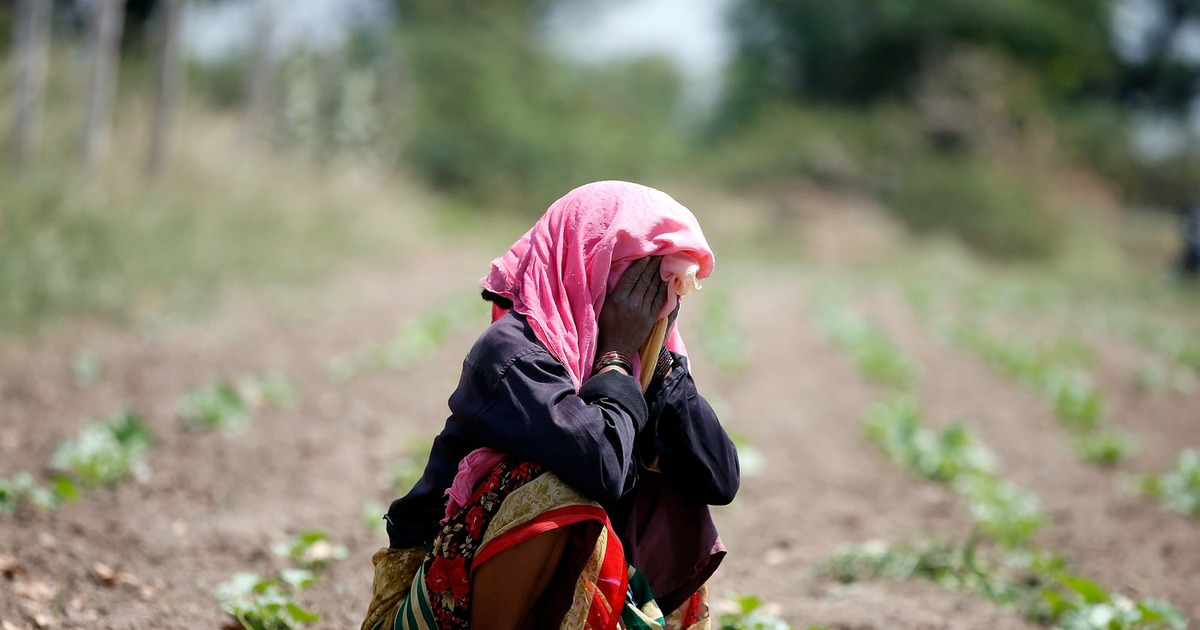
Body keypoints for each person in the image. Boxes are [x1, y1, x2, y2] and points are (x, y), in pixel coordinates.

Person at [360, 181, 740, 630]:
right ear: (583, 266)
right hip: (439, 608)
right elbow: (600, 467)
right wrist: (615, 358)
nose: (650, 303)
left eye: (665, 285)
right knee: (553, 490)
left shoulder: (646, 361)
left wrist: (661, 369)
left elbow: (719, 479)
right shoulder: (512, 354)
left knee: (677, 490)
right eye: (636, 280)